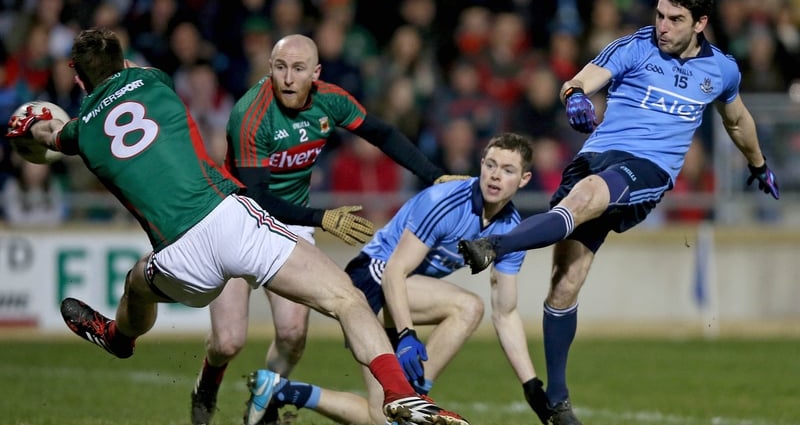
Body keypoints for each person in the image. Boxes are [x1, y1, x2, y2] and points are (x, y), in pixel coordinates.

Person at [5, 28, 468, 425]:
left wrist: (30, 125)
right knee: (344, 301)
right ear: (125, 63)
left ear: (77, 77)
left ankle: (119, 338)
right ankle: (397, 393)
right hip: (232, 219)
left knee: (138, 284)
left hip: (179, 256)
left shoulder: (82, 131)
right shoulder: (156, 81)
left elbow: (47, 137)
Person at [457, 0, 780, 424]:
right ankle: (559, 401)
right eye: (660, 15)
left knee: (586, 197)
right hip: (597, 157)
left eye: (676, 20)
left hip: (646, 170)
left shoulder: (721, 71)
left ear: (701, 23)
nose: (663, 26)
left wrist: (759, 164)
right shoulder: (634, 46)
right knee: (566, 282)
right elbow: (581, 80)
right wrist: (574, 99)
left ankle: (495, 245)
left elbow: (738, 120)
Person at [193, 33, 467, 425]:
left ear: (315, 73)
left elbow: (382, 134)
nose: (288, 78)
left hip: (290, 223)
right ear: (270, 67)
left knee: (292, 335)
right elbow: (256, 199)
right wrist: (324, 218)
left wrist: (434, 176)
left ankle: (265, 401)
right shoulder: (250, 114)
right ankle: (209, 376)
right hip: (236, 219)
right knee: (228, 340)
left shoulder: (330, 100)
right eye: (280, 67)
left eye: (298, 69)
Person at [245, 132, 552, 425]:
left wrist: (531, 384)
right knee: (468, 307)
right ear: (481, 163)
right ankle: (416, 396)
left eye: (508, 169)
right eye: (490, 165)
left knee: (381, 417)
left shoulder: (512, 230)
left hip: (403, 291)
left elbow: (506, 311)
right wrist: (407, 335)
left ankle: (278, 390)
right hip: (373, 281)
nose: (496, 175)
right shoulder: (444, 201)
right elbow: (395, 270)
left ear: (525, 179)